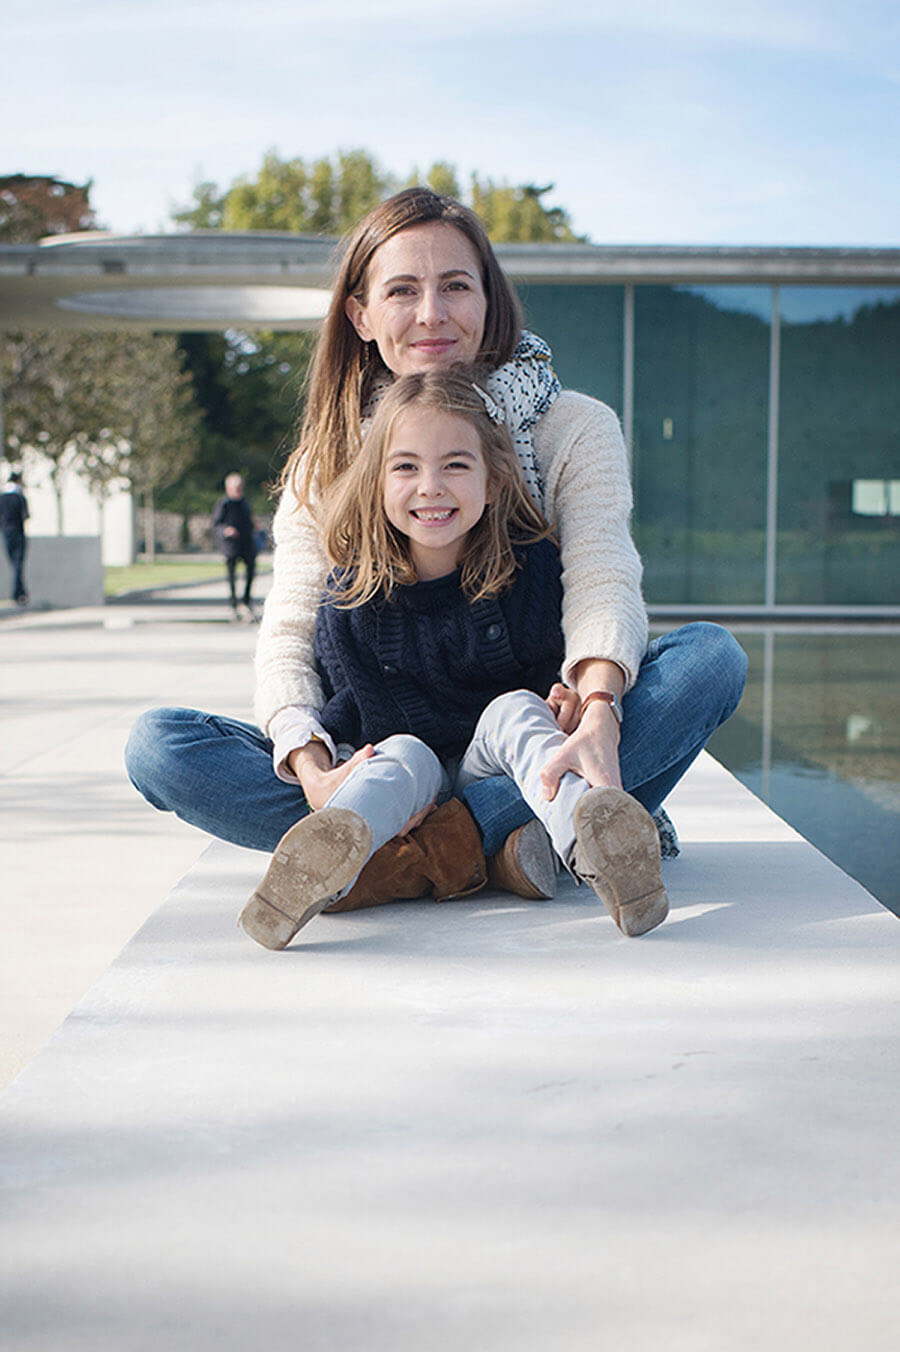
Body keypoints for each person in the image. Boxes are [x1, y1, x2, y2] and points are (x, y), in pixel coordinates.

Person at [126, 186, 747, 918]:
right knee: (159, 746)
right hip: (379, 756)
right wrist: (312, 767)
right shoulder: (322, 461)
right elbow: (288, 636)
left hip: (533, 736)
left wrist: (602, 706)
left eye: (456, 286)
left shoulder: (573, 427)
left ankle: (395, 859)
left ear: (490, 300)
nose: (432, 313)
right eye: (402, 290)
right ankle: (503, 840)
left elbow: (602, 576)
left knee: (710, 660)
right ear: (359, 313)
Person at [240, 371, 670, 949]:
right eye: (406, 467)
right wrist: (325, 764)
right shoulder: (351, 596)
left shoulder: (530, 570)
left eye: (456, 466)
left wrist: (567, 695)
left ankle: (592, 844)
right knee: (394, 759)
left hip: (494, 766)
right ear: (376, 483)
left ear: (493, 482)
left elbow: (548, 665)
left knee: (523, 710)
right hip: (405, 773)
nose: (431, 487)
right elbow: (348, 704)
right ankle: (337, 849)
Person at [212, 472, 258, 620]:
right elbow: (216, 524)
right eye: (236, 487)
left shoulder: (245, 502)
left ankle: (246, 600)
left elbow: (249, 519)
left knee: (251, 570)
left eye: (240, 487)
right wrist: (226, 530)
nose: (239, 490)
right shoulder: (224, 504)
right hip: (231, 545)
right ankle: (233, 603)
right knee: (231, 574)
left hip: (246, 542)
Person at [1, 470, 29, 607]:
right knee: (18, 564)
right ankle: (17, 593)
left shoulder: (2, 498)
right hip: (18, 533)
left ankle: (21, 592)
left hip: (6, 534)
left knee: (14, 564)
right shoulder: (20, 497)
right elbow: (26, 515)